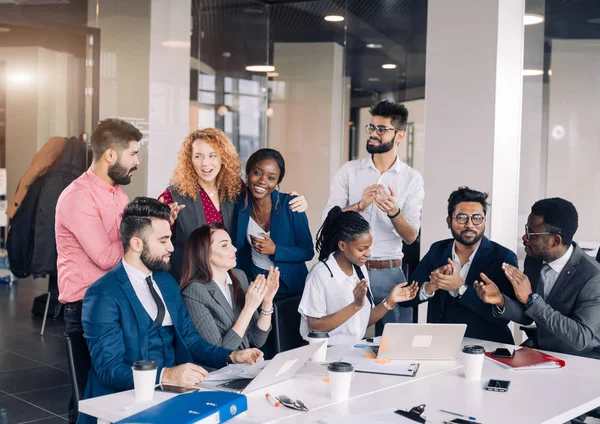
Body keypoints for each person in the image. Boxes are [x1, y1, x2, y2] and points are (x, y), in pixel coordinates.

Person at [80, 198, 263, 423]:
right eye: (163, 240)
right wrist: (166, 375)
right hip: (122, 404)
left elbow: (191, 340)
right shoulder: (102, 294)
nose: (171, 248)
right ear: (137, 244)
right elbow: (110, 369)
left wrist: (231, 356)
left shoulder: (166, 282)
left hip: (172, 397)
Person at [55, 118, 142, 423]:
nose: (137, 162)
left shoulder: (117, 192)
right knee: (89, 395)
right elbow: (106, 256)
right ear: (110, 155)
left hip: (113, 300)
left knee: (107, 389)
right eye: (132, 154)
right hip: (85, 306)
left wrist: (143, 229)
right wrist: (140, 238)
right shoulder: (77, 197)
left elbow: (124, 239)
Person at [324, 100, 424, 331]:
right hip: (348, 269)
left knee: (397, 343)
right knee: (342, 335)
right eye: (371, 128)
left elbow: (411, 236)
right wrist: (358, 206)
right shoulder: (349, 171)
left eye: (381, 129)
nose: (373, 134)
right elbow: (328, 221)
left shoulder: (412, 179)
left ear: (399, 135)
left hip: (389, 272)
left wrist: (394, 212)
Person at [159, 128, 307, 281]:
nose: (205, 163)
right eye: (198, 156)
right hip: (189, 279)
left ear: (223, 157)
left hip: (228, 280)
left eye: (212, 156)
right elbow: (157, 239)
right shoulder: (172, 196)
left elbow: (262, 191)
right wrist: (165, 223)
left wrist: (296, 200)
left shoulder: (235, 188)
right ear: (189, 160)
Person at [475, 198, 600, 359]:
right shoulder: (534, 260)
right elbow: (529, 315)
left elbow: (581, 338)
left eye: (531, 234)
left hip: (580, 361)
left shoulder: (593, 277)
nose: (524, 238)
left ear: (555, 240)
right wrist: (501, 300)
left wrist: (531, 299)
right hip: (542, 351)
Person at [402, 187, 518, 344]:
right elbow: (406, 299)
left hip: (487, 347)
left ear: (484, 220)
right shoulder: (438, 250)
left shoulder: (503, 257)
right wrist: (430, 287)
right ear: (449, 221)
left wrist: (460, 288)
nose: (470, 225)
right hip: (441, 345)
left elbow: (503, 317)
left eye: (477, 218)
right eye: (462, 218)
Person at [298, 207, 418, 346]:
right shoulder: (321, 274)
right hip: (324, 352)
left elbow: (362, 321)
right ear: (342, 245)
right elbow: (314, 327)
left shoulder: (359, 269)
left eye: (369, 248)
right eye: (362, 249)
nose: (368, 254)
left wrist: (390, 300)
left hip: (353, 349)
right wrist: (355, 305)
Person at [180, 223, 279, 350]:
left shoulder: (239, 276)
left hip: (245, 365)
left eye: (231, 243)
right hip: (219, 369)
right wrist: (249, 308)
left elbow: (258, 340)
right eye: (224, 245)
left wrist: (267, 302)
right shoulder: (194, 292)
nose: (234, 249)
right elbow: (219, 353)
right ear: (205, 253)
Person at [232, 148, 314, 299]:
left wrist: (276, 250)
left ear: (277, 182)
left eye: (271, 178)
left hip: (290, 287)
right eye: (257, 173)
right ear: (248, 173)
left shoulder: (291, 205)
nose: (263, 181)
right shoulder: (239, 206)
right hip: (256, 282)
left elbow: (307, 251)